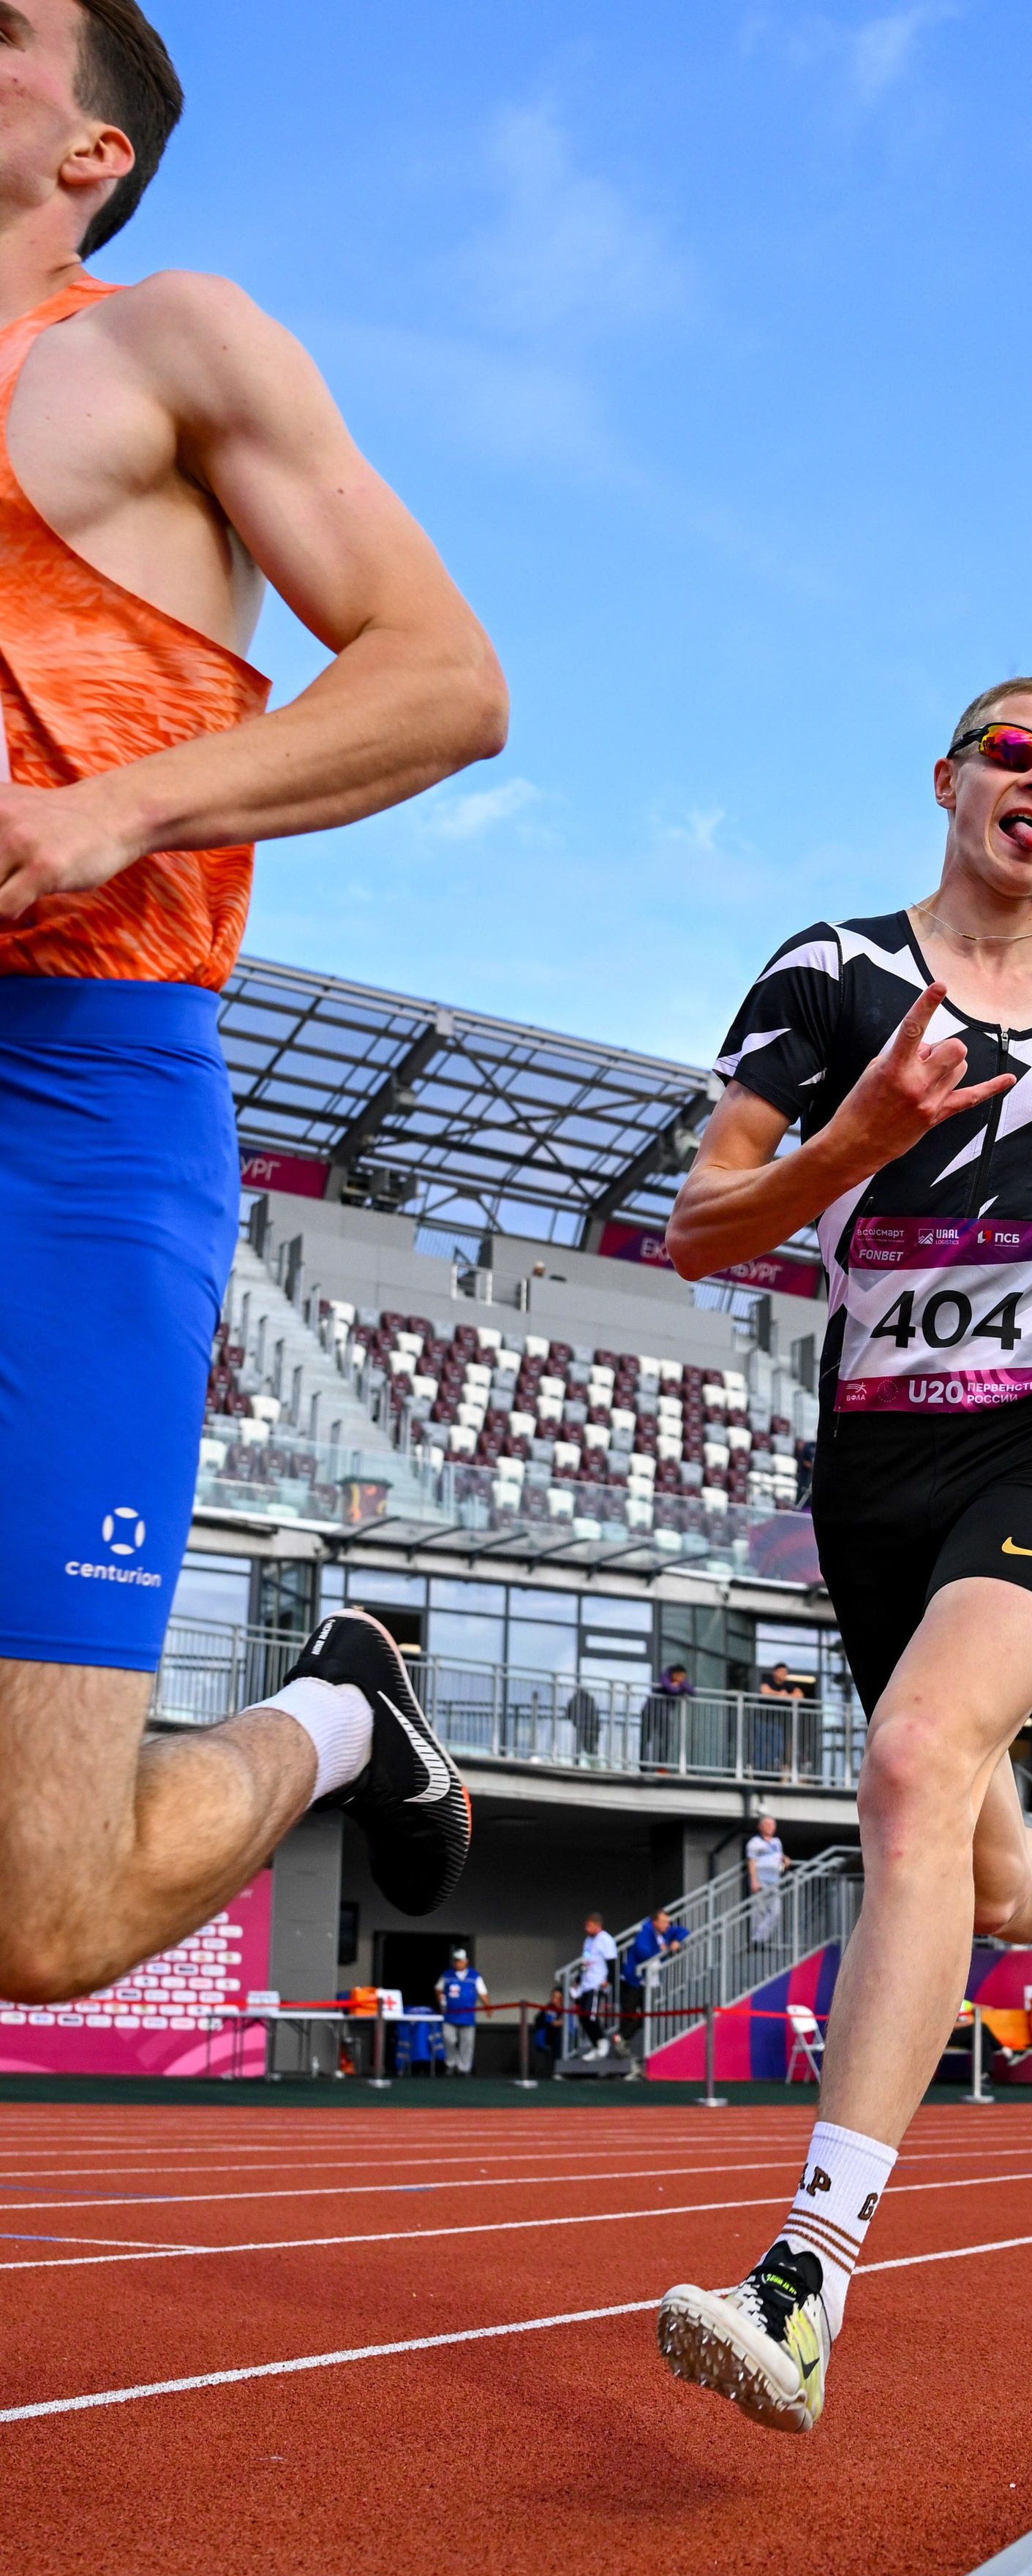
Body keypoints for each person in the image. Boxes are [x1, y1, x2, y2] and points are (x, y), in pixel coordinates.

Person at [655, 673, 1032, 2431]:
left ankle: (802, 2279)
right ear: (946, 778)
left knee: (912, 1766)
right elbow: (703, 1223)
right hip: (875, 1478)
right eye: (1016, 750)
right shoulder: (829, 976)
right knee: (983, 1865)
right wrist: (856, 1140)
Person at [0, 0, 507, 2011]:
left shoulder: (158, 344)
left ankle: (339, 1712)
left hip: (80, 1105)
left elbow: (446, 678)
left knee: (40, 1916)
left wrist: (106, 811)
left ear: (89, 149)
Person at [619, 1903, 689, 2077]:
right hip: (634, 1980)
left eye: (668, 1922)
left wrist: (675, 1941)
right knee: (628, 2014)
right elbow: (642, 1952)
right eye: (664, 1922)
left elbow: (684, 1931)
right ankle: (620, 2056)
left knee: (647, 2015)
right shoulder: (645, 1932)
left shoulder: (666, 1931)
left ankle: (622, 2042)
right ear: (654, 1922)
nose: (667, 1925)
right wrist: (661, 1951)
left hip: (651, 1982)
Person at [434, 1945, 486, 2077]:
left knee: (467, 2043)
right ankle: (451, 2064)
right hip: (450, 2015)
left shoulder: (475, 1976)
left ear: (466, 1961)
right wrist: (441, 2001)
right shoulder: (447, 1974)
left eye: (460, 1960)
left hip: (467, 2016)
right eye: (456, 1960)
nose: (457, 1963)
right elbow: (438, 1988)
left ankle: (464, 2069)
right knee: (448, 2039)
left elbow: (482, 1993)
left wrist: (488, 2006)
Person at [573, 1913, 616, 2061]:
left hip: (598, 1984)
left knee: (590, 2015)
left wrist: (608, 1980)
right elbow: (586, 1961)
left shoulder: (606, 1939)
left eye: (589, 1925)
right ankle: (596, 2044)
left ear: (597, 1925)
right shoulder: (588, 1941)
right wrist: (579, 1979)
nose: (586, 1928)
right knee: (583, 2016)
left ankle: (603, 2043)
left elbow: (612, 1962)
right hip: (586, 1984)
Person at [747, 1813, 788, 1949]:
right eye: (768, 1825)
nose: (771, 1828)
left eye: (773, 1825)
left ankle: (760, 1939)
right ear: (761, 1827)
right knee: (760, 1911)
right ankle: (758, 1941)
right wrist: (754, 1881)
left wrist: (784, 1862)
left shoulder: (777, 1842)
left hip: (775, 1880)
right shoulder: (755, 1843)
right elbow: (751, 1862)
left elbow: (779, 1860)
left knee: (775, 1911)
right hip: (761, 1880)